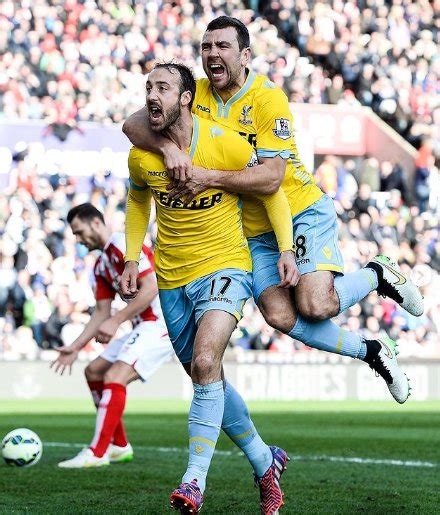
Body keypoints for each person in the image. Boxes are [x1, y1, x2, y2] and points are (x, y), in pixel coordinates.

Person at [123, 16, 424, 405]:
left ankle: (377, 274)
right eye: (206, 46)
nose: (212, 54)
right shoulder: (191, 92)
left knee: (316, 304)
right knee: (281, 317)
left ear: (245, 56)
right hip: (251, 230)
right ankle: (373, 352)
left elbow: (271, 179)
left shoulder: (267, 98)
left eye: (223, 46)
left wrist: (206, 175)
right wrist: (168, 149)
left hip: (298, 211)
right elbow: (133, 124)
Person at [121, 63, 292, 515]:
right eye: (148, 88)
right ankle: (264, 461)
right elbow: (138, 198)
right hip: (172, 279)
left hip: (224, 266)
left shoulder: (223, 142)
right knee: (206, 374)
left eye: (163, 87)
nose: (152, 96)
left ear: (185, 98)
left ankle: (194, 481)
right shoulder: (143, 156)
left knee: (205, 358)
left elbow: (273, 190)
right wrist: (132, 257)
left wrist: (286, 250)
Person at [51, 203, 174, 468]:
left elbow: (152, 286)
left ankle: (97, 452)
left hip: (163, 322)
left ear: (96, 222)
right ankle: (118, 445)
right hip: (143, 324)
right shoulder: (100, 266)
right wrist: (75, 346)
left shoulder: (122, 243)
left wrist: (117, 321)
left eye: (79, 232)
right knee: (94, 371)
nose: (78, 240)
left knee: (114, 375)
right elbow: (100, 313)